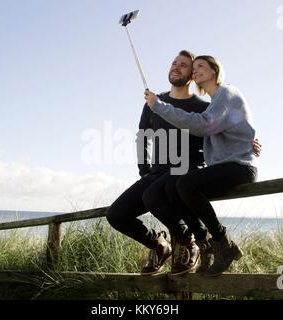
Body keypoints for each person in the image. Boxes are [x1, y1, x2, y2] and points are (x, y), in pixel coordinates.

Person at [107, 51, 261, 276]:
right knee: (116, 215)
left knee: (160, 194)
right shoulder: (155, 102)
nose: (177, 67)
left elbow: (214, 127)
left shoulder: (204, 106)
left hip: (185, 169)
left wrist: (249, 143)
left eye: (186, 65)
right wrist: (144, 170)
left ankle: (191, 242)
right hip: (156, 172)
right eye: (174, 63)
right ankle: (160, 245)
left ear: (193, 76)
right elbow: (143, 137)